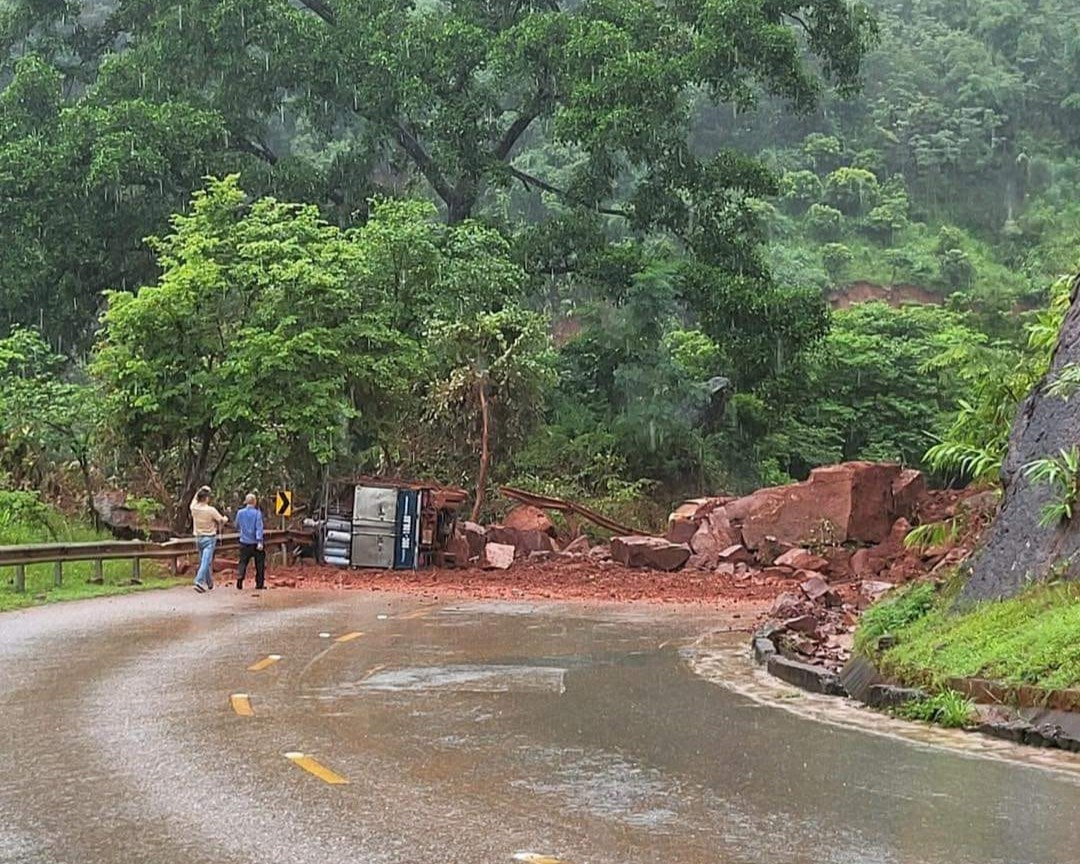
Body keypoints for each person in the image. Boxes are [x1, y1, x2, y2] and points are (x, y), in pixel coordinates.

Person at [190, 485, 227, 593]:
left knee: (204, 560)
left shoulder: (194, 508)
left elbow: (194, 500)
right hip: (209, 538)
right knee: (206, 561)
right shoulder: (211, 510)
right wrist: (225, 518)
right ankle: (199, 581)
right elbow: (221, 520)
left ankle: (210, 583)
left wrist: (200, 489)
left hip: (198, 537)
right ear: (206, 498)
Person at [235, 492, 266, 590]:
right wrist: (260, 541)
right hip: (255, 543)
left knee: (242, 562)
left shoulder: (240, 513)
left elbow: (236, 525)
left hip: (244, 541)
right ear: (254, 502)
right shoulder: (257, 513)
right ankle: (259, 583)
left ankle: (240, 577)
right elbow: (259, 528)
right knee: (259, 564)